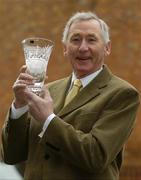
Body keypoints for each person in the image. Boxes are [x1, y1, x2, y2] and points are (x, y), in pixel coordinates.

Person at [1, 11, 140, 180]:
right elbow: (11, 155)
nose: (83, 47)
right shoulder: (47, 90)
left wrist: (48, 120)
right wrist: (19, 106)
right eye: (75, 39)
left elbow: (95, 156)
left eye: (91, 39)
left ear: (107, 48)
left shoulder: (122, 94)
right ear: (65, 48)